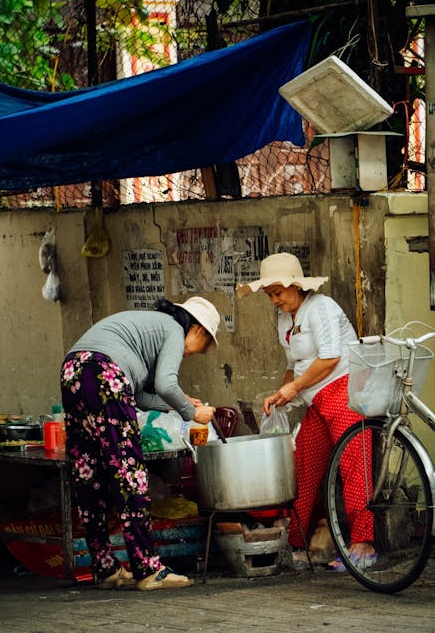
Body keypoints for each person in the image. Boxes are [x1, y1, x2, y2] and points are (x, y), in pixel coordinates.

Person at [60, 296, 219, 591]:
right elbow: (166, 385)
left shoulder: (149, 329)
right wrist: (192, 412)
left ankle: (105, 568)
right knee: (129, 474)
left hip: (74, 370)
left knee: (88, 472)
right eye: (201, 347)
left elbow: (142, 395)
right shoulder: (174, 328)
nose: (190, 355)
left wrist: (178, 405)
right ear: (198, 330)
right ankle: (147, 568)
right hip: (105, 373)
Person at [237, 252, 375, 570]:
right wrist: (281, 392)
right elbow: (292, 366)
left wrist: (294, 388)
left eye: (279, 293)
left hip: (345, 394)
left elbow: (328, 359)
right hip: (317, 402)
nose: (275, 300)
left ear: (296, 286)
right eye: (270, 294)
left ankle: (363, 545)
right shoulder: (285, 319)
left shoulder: (321, 308)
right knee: (303, 468)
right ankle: (297, 544)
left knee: (354, 467)